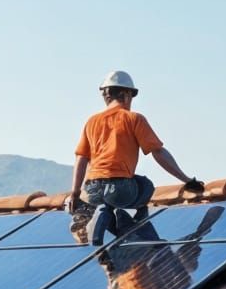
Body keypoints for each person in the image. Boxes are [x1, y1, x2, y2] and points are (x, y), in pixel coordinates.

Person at [67, 71, 203, 246]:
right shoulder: (133, 119)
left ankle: (103, 215)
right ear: (126, 94)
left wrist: (75, 193)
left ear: (106, 96)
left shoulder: (91, 121)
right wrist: (186, 180)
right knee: (145, 187)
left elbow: (81, 158)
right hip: (120, 187)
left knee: (106, 204)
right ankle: (133, 228)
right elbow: (158, 153)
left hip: (92, 189)